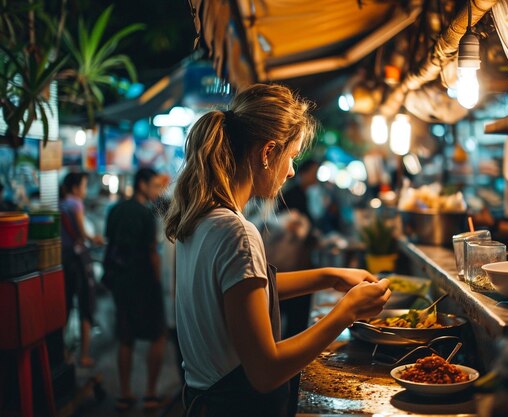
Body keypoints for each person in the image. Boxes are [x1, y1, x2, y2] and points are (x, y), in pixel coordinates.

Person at [164, 84, 391, 417]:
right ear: (268, 152)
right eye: (292, 157)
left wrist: (329, 276)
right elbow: (265, 372)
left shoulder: (201, 219)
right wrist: (346, 312)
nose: (291, 171)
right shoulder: (236, 233)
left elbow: (240, 296)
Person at [104, 168, 167, 411]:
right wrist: (159, 281)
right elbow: (152, 252)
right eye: (153, 186)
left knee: (125, 337)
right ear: (142, 184)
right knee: (158, 335)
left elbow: (111, 243)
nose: (156, 192)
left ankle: (124, 393)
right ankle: (150, 393)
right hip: (144, 283)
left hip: (121, 283)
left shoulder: (116, 210)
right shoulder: (146, 214)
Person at [59, 172, 103, 368]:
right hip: (78, 261)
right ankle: (84, 355)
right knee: (86, 303)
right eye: (84, 186)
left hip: (64, 260)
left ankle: (63, 352)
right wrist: (96, 239)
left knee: (66, 305)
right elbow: (82, 233)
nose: (85, 191)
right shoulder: (75, 204)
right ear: (76, 188)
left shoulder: (60, 204)